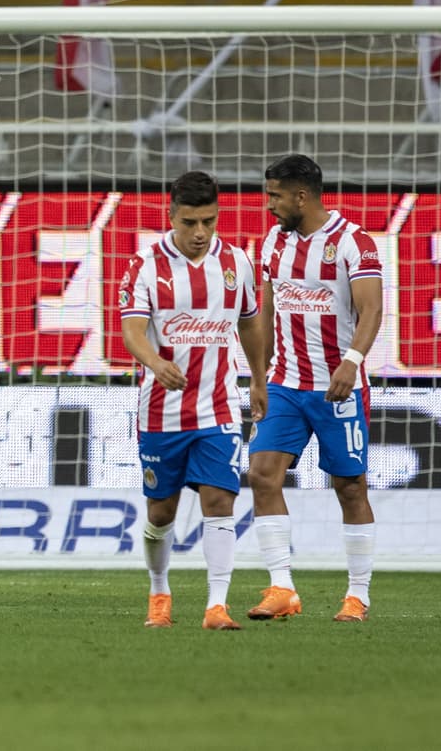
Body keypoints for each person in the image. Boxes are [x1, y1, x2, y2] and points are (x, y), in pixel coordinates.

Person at [119, 171, 269, 631]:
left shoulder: (237, 262)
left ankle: (216, 606)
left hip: (220, 406)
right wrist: (155, 363)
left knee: (220, 500)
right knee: (160, 512)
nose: (200, 232)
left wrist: (259, 380)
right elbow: (131, 331)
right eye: (190, 222)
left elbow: (250, 323)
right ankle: (159, 590)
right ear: (172, 216)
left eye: (208, 221)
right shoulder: (145, 265)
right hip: (162, 411)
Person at [246, 154, 383, 623]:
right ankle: (282, 587)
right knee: (263, 474)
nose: (269, 205)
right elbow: (265, 312)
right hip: (285, 384)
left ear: (301, 195)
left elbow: (372, 310)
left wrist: (352, 362)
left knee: (349, 487)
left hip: (336, 388)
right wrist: (258, 377)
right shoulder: (272, 243)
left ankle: (357, 595)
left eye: (275, 196)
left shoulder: (353, 242)